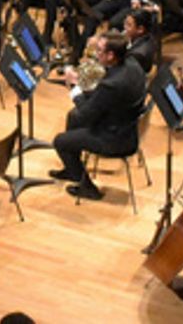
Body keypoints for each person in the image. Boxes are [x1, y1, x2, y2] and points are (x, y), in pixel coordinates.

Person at [50, 34, 148, 200]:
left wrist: (74, 88)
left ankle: (88, 188)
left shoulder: (111, 85)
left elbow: (86, 116)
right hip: (126, 125)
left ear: (111, 55)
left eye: (100, 51)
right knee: (72, 116)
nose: (96, 54)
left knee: (60, 141)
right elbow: (101, 98)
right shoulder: (132, 64)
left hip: (114, 139)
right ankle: (72, 169)